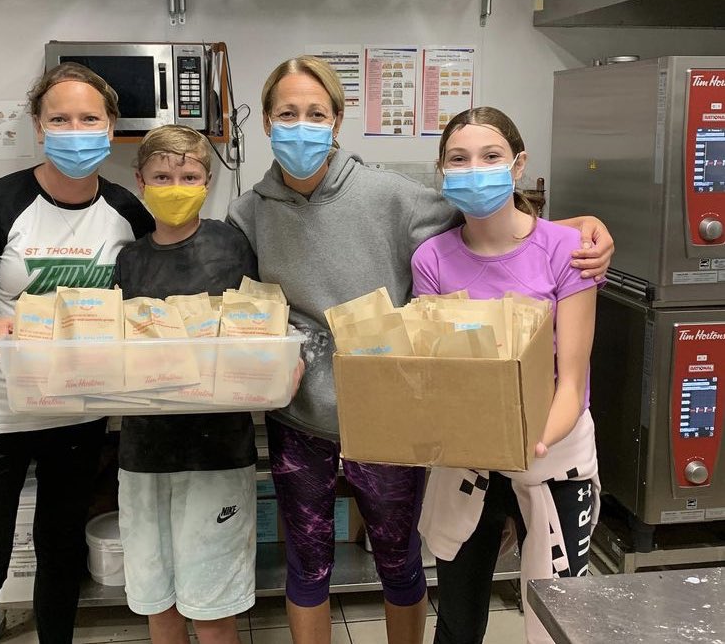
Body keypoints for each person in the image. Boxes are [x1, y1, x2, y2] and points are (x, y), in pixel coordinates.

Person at [227, 56, 613, 644]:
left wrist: (577, 228)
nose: (300, 125)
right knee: (307, 564)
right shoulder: (248, 213)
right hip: (300, 417)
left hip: (389, 419)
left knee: (400, 559)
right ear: (267, 122)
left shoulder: (394, 198)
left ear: (337, 119)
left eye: (315, 112)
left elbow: (492, 220)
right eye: (287, 113)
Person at [0, 62, 155, 644]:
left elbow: (145, 303)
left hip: (77, 411)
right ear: (39, 126)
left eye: (89, 118)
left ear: (111, 129)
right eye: (60, 118)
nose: (75, 130)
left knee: (61, 556)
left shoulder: (126, 212)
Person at [412, 106, 601, 644]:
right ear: (442, 171)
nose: (475, 169)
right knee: (458, 616)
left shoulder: (568, 251)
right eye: (459, 159)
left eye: (490, 156)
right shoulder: (432, 259)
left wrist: (535, 440)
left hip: (552, 450)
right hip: (468, 455)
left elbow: (572, 379)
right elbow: (441, 371)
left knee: (557, 614)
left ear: (518, 166)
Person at [113, 125, 259, 644]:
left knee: (213, 605)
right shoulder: (128, 260)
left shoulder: (231, 245)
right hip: (145, 451)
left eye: (189, 175)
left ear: (207, 181)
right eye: (162, 176)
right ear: (141, 181)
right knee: (157, 599)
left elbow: (258, 331)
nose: (176, 185)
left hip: (216, 451)